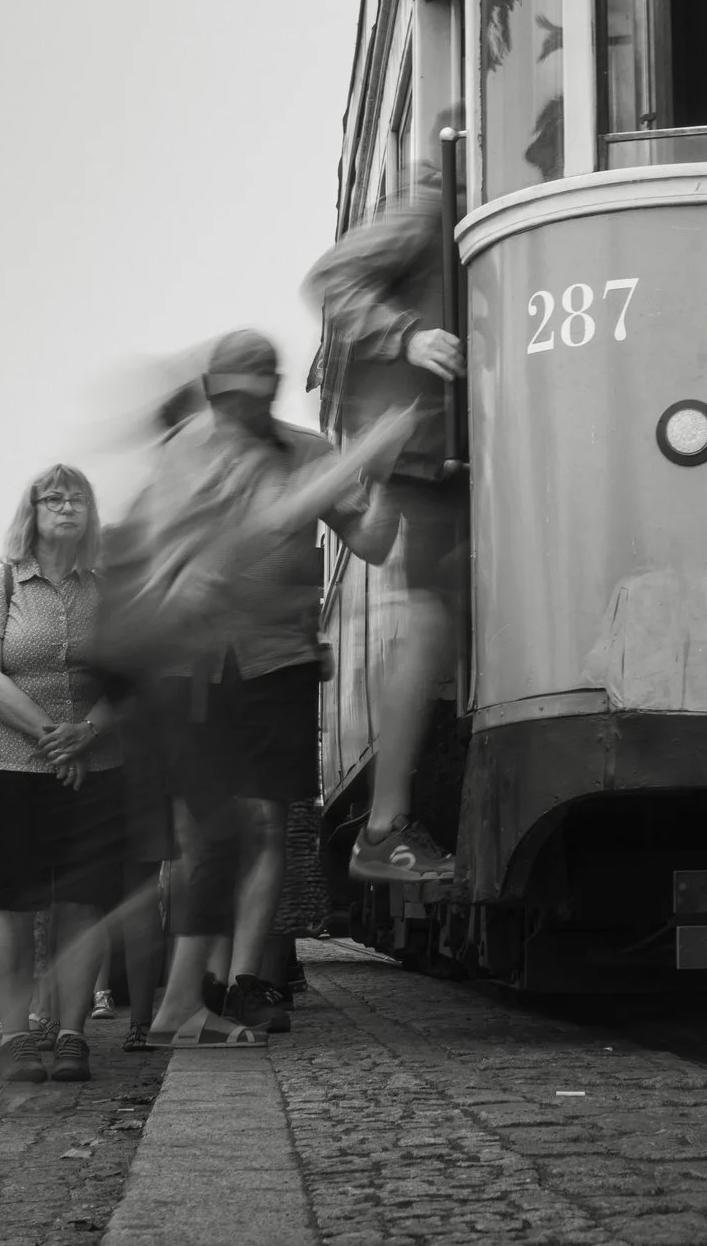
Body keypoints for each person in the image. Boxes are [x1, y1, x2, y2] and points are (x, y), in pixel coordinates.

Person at [132, 332, 403, 1044]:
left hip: (278, 659)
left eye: (254, 397)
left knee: (263, 822)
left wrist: (391, 480)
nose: (239, 412)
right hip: (195, 661)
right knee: (204, 835)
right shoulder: (187, 451)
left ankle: (247, 980)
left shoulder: (309, 450)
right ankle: (192, 988)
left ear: (273, 391)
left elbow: (371, 542)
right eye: (228, 398)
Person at [305, 173, 467, 882]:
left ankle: (385, 825)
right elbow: (332, 277)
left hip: (443, 444)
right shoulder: (437, 199)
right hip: (431, 448)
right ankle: (384, 824)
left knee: (438, 614)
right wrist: (409, 336)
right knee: (432, 615)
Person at [0, 464, 126, 1084]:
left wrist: (86, 733)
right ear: (30, 514)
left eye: (76, 497)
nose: (65, 506)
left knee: (82, 901)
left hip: (98, 761)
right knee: (13, 901)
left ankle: (71, 1035)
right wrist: (53, 740)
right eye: (52, 498)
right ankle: (14, 1038)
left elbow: (129, 681)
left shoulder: (109, 588)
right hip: (14, 763)